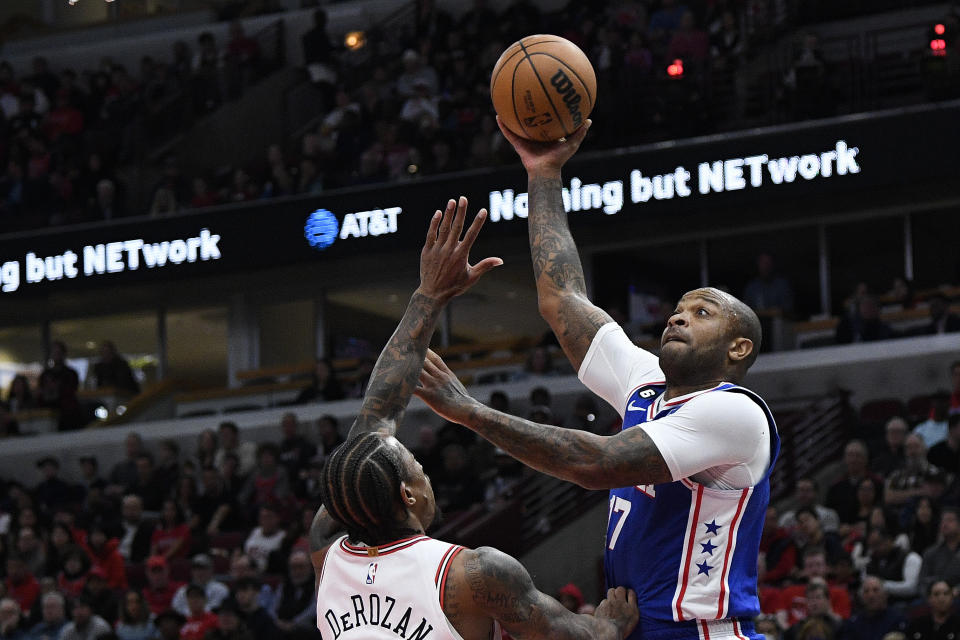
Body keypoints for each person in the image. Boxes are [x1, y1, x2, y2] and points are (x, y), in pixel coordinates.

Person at [415, 121, 777, 640]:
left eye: (702, 312)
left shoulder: (736, 411)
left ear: (738, 348)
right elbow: (562, 300)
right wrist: (543, 172)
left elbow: (594, 462)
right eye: (677, 309)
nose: (677, 317)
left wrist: (469, 411)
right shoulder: (648, 385)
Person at [310, 196, 637, 640]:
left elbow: (374, 424)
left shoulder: (327, 555)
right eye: (420, 469)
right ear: (407, 495)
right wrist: (611, 626)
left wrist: (429, 295)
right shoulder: (472, 575)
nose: (428, 476)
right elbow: (573, 637)